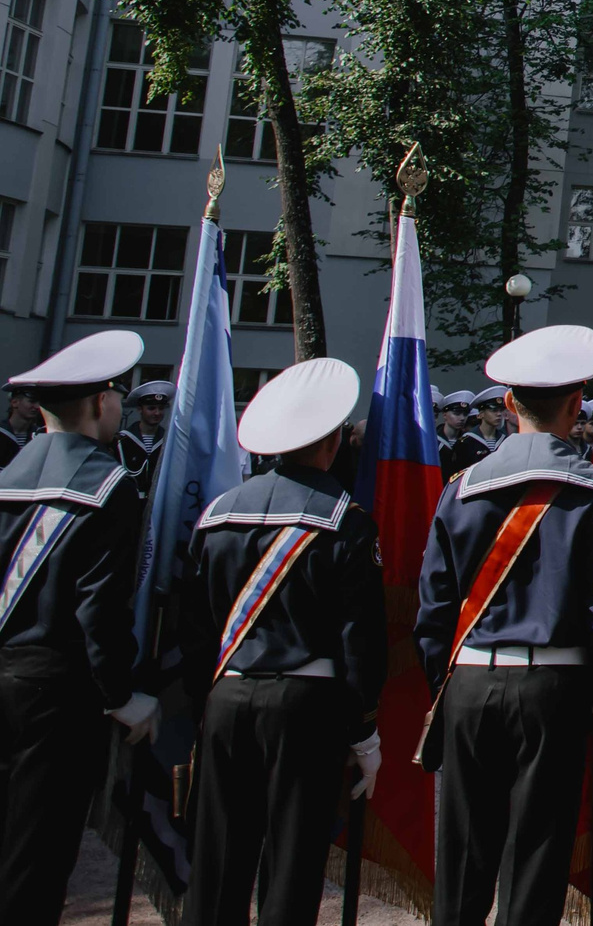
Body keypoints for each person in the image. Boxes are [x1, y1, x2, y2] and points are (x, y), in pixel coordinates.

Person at [415, 324, 593, 926]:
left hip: (467, 684)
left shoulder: (460, 489)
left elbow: (433, 608)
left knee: (461, 858)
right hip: (555, 688)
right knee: (536, 861)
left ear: (509, 405)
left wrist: (448, 681)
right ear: (576, 406)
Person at [175, 359, 385, 926]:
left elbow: (192, 625)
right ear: (333, 440)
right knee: (292, 860)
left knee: (217, 854)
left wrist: (205, 702)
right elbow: (358, 639)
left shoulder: (217, 514)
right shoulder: (346, 521)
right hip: (305, 704)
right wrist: (364, 728)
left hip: (227, 696)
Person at [0, 330, 158, 925]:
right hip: (56, 695)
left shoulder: (7, 473)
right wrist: (122, 697)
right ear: (98, 404)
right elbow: (100, 611)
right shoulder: (110, 485)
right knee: (35, 861)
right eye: (116, 393)